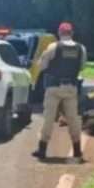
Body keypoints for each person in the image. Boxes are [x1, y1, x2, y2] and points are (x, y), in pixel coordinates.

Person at [32, 22, 87, 161]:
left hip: (54, 88)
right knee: (73, 119)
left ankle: (42, 149)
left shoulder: (53, 46)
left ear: (59, 33)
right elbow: (82, 67)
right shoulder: (81, 48)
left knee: (48, 118)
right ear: (72, 33)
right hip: (71, 88)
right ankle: (77, 150)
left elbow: (41, 65)